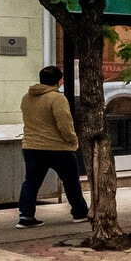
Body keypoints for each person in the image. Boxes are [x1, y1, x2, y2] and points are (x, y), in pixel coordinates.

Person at [18, 65, 89, 228]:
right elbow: (65, 124)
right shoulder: (57, 99)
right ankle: (79, 212)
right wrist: (72, 140)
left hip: (31, 146)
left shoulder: (26, 98)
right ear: (59, 81)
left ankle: (26, 216)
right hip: (57, 148)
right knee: (71, 181)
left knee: (31, 183)